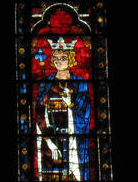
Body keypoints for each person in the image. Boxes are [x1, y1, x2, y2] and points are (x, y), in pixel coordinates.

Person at [34, 40, 92, 181]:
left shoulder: (81, 84)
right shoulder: (46, 84)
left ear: (71, 59)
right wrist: (49, 142)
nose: (59, 62)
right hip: (52, 140)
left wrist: (70, 103)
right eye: (56, 59)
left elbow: (85, 112)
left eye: (63, 58)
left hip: (74, 140)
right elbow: (38, 112)